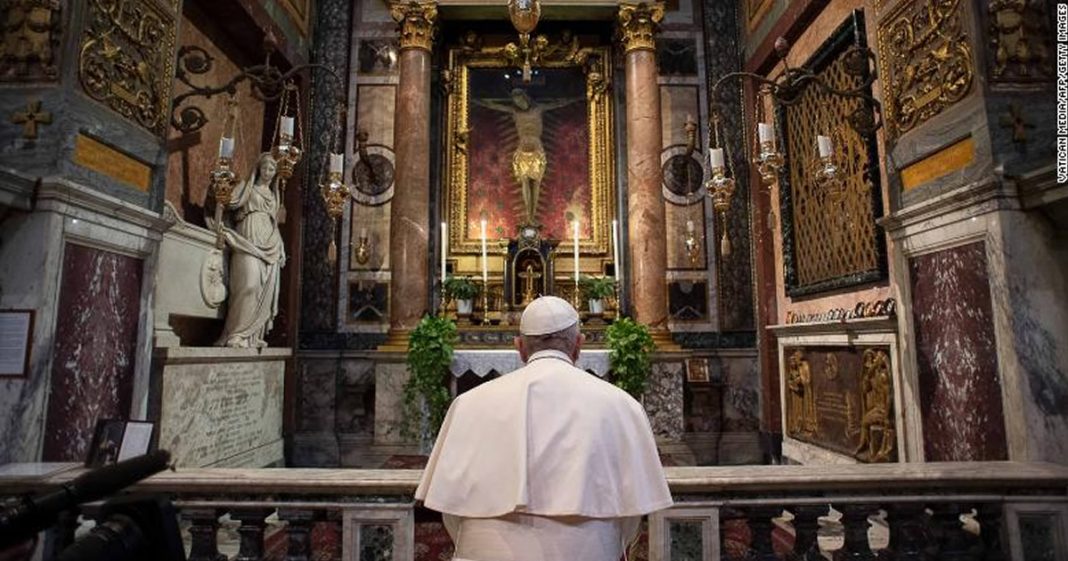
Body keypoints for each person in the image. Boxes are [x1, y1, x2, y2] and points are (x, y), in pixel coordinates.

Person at [416, 296, 672, 561]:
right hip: (588, 550)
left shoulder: (468, 404)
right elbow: (631, 514)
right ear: (578, 345)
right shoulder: (621, 405)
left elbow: (452, 511)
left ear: (520, 347)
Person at [474, 89, 580, 225]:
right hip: (522, 147)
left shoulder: (538, 109)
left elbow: (559, 103)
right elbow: (494, 105)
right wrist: (474, 99)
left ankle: (532, 216)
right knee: (524, 182)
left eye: (521, 100)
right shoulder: (515, 112)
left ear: (526, 98)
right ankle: (528, 219)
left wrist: (577, 97)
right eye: (516, 102)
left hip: (536, 147)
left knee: (535, 184)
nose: (519, 104)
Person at [215, 152, 286, 348]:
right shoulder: (247, 188)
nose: (268, 172)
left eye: (272, 169)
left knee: (263, 289)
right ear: (258, 169)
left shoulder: (273, 196)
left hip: (269, 243)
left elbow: (274, 224)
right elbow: (229, 202)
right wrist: (221, 195)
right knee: (248, 285)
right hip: (247, 238)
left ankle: (252, 335)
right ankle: (236, 333)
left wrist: (280, 248)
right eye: (265, 168)